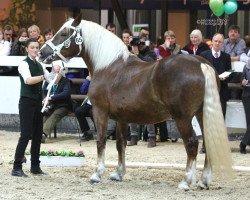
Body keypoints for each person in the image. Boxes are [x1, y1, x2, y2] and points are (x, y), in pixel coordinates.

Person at [12, 38, 46, 177]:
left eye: (37, 47)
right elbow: (28, 80)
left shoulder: (40, 64)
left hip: (38, 102)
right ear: (27, 49)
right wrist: (43, 77)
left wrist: (59, 72)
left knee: (37, 135)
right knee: (25, 135)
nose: (35, 50)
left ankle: (35, 167)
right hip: (26, 102)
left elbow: (49, 78)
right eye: (32, 47)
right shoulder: (23, 64)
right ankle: (16, 167)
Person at [200, 33, 232, 154]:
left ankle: (218, 146)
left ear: (223, 43)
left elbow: (230, 71)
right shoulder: (204, 55)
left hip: (222, 91)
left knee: (220, 119)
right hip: (207, 91)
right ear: (211, 42)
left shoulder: (226, 56)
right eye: (216, 41)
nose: (218, 43)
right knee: (206, 119)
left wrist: (225, 77)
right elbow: (199, 73)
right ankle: (205, 145)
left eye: (220, 42)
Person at [42, 60, 72, 142]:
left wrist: (51, 98)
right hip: (51, 105)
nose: (56, 68)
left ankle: (43, 134)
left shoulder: (65, 81)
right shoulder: (49, 80)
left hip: (63, 105)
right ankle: (35, 132)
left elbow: (66, 93)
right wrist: (45, 99)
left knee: (55, 115)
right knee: (44, 115)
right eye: (55, 66)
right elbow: (44, 91)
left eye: (58, 66)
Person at [222, 25, 246, 100]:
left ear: (238, 35)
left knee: (234, 84)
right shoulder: (224, 41)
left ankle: (233, 101)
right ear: (228, 33)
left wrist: (227, 58)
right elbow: (221, 56)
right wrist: (233, 58)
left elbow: (239, 57)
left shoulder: (241, 42)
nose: (233, 33)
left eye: (235, 32)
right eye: (231, 32)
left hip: (236, 70)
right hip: (225, 69)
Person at [74, 74, 94, 141]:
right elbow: (83, 91)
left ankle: (100, 133)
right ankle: (87, 133)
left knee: (92, 113)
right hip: (90, 103)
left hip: (100, 103)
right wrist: (87, 80)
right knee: (78, 111)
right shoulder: (90, 78)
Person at [239, 59, 250, 154]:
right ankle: (245, 143)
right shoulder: (246, 66)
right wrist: (243, 83)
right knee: (249, 121)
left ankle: (243, 143)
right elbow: (241, 82)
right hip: (247, 96)